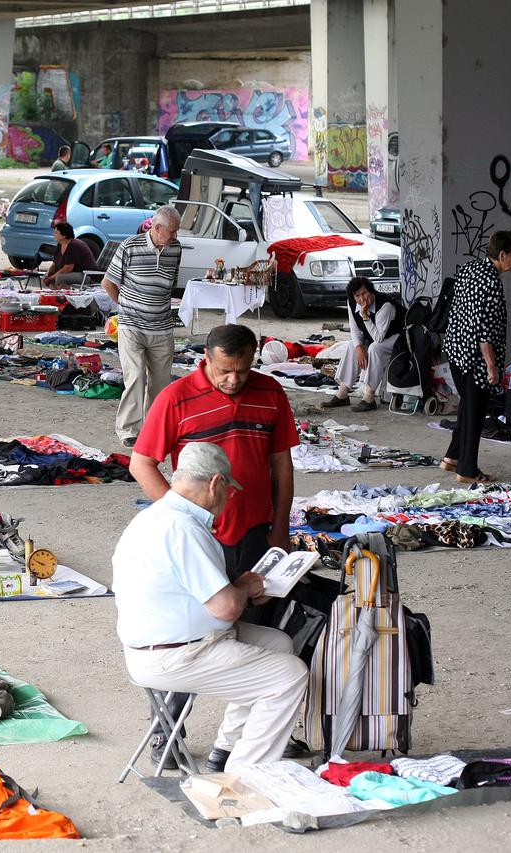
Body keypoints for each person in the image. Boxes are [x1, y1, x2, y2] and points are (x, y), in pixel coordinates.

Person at [113, 442, 308, 774]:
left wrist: (241, 588)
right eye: (228, 491)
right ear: (216, 483)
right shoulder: (181, 528)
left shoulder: (155, 517)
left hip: (164, 643)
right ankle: (247, 775)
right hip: (174, 654)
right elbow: (226, 608)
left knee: (278, 644)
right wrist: (244, 588)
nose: (228, 500)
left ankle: (229, 747)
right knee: (290, 675)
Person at [131, 323, 298, 575]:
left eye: (242, 371)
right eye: (224, 370)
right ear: (207, 356)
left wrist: (281, 527)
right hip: (201, 533)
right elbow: (141, 464)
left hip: (258, 529)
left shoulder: (271, 392)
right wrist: (182, 518)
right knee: (215, 609)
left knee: (257, 608)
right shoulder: (175, 398)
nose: (233, 380)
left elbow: (282, 464)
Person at [442, 230, 511, 484]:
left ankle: (453, 457)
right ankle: (467, 470)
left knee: (468, 407)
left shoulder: (470, 268)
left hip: (456, 351)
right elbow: (484, 332)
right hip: (476, 360)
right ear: (502, 255)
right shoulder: (492, 282)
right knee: (476, 413)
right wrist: (492, 367)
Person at [101, 204, 182, 446]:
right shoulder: (130, 246)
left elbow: (170, 283)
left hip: (161, 327)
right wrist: (124, 307)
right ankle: (128, 431)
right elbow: (108, 283)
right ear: (157, 228)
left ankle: (153, 428)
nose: (176, 236)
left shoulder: (175, 249)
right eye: (172, 231)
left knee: (160, 382)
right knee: (135, 377)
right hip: (131, 325)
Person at [322, 277, 405, 412]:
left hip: (397, 337)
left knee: (374, 348)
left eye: (364, 293)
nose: (362, 299)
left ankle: (369, 397)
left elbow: (378, 338)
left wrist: (365, 316)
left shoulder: (385, 305)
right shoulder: (351, 303)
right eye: (357, 296)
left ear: (371, 291)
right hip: (375, 336)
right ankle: (343, 393)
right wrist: (359, 347)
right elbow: (354, 330)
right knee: (351, 345)